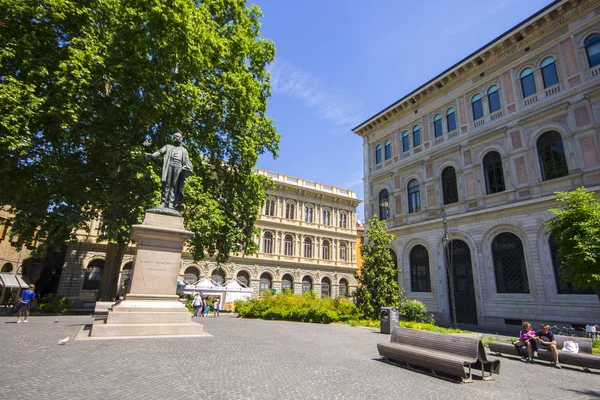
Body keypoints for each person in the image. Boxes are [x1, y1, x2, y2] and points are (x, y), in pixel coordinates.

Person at [146, 132, 193, 209]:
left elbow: (187, 161)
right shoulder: (168, 147)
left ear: (181, 138)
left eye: (178, 136)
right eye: (175, 136)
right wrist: (152, 155)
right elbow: (159, 152)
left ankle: (171, 204)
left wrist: (188, 168)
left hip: (179, 168)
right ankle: (163, 203)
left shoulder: (184, 150)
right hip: (169, 166)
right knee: (166, 185)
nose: (176, 138)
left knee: (174, 186)